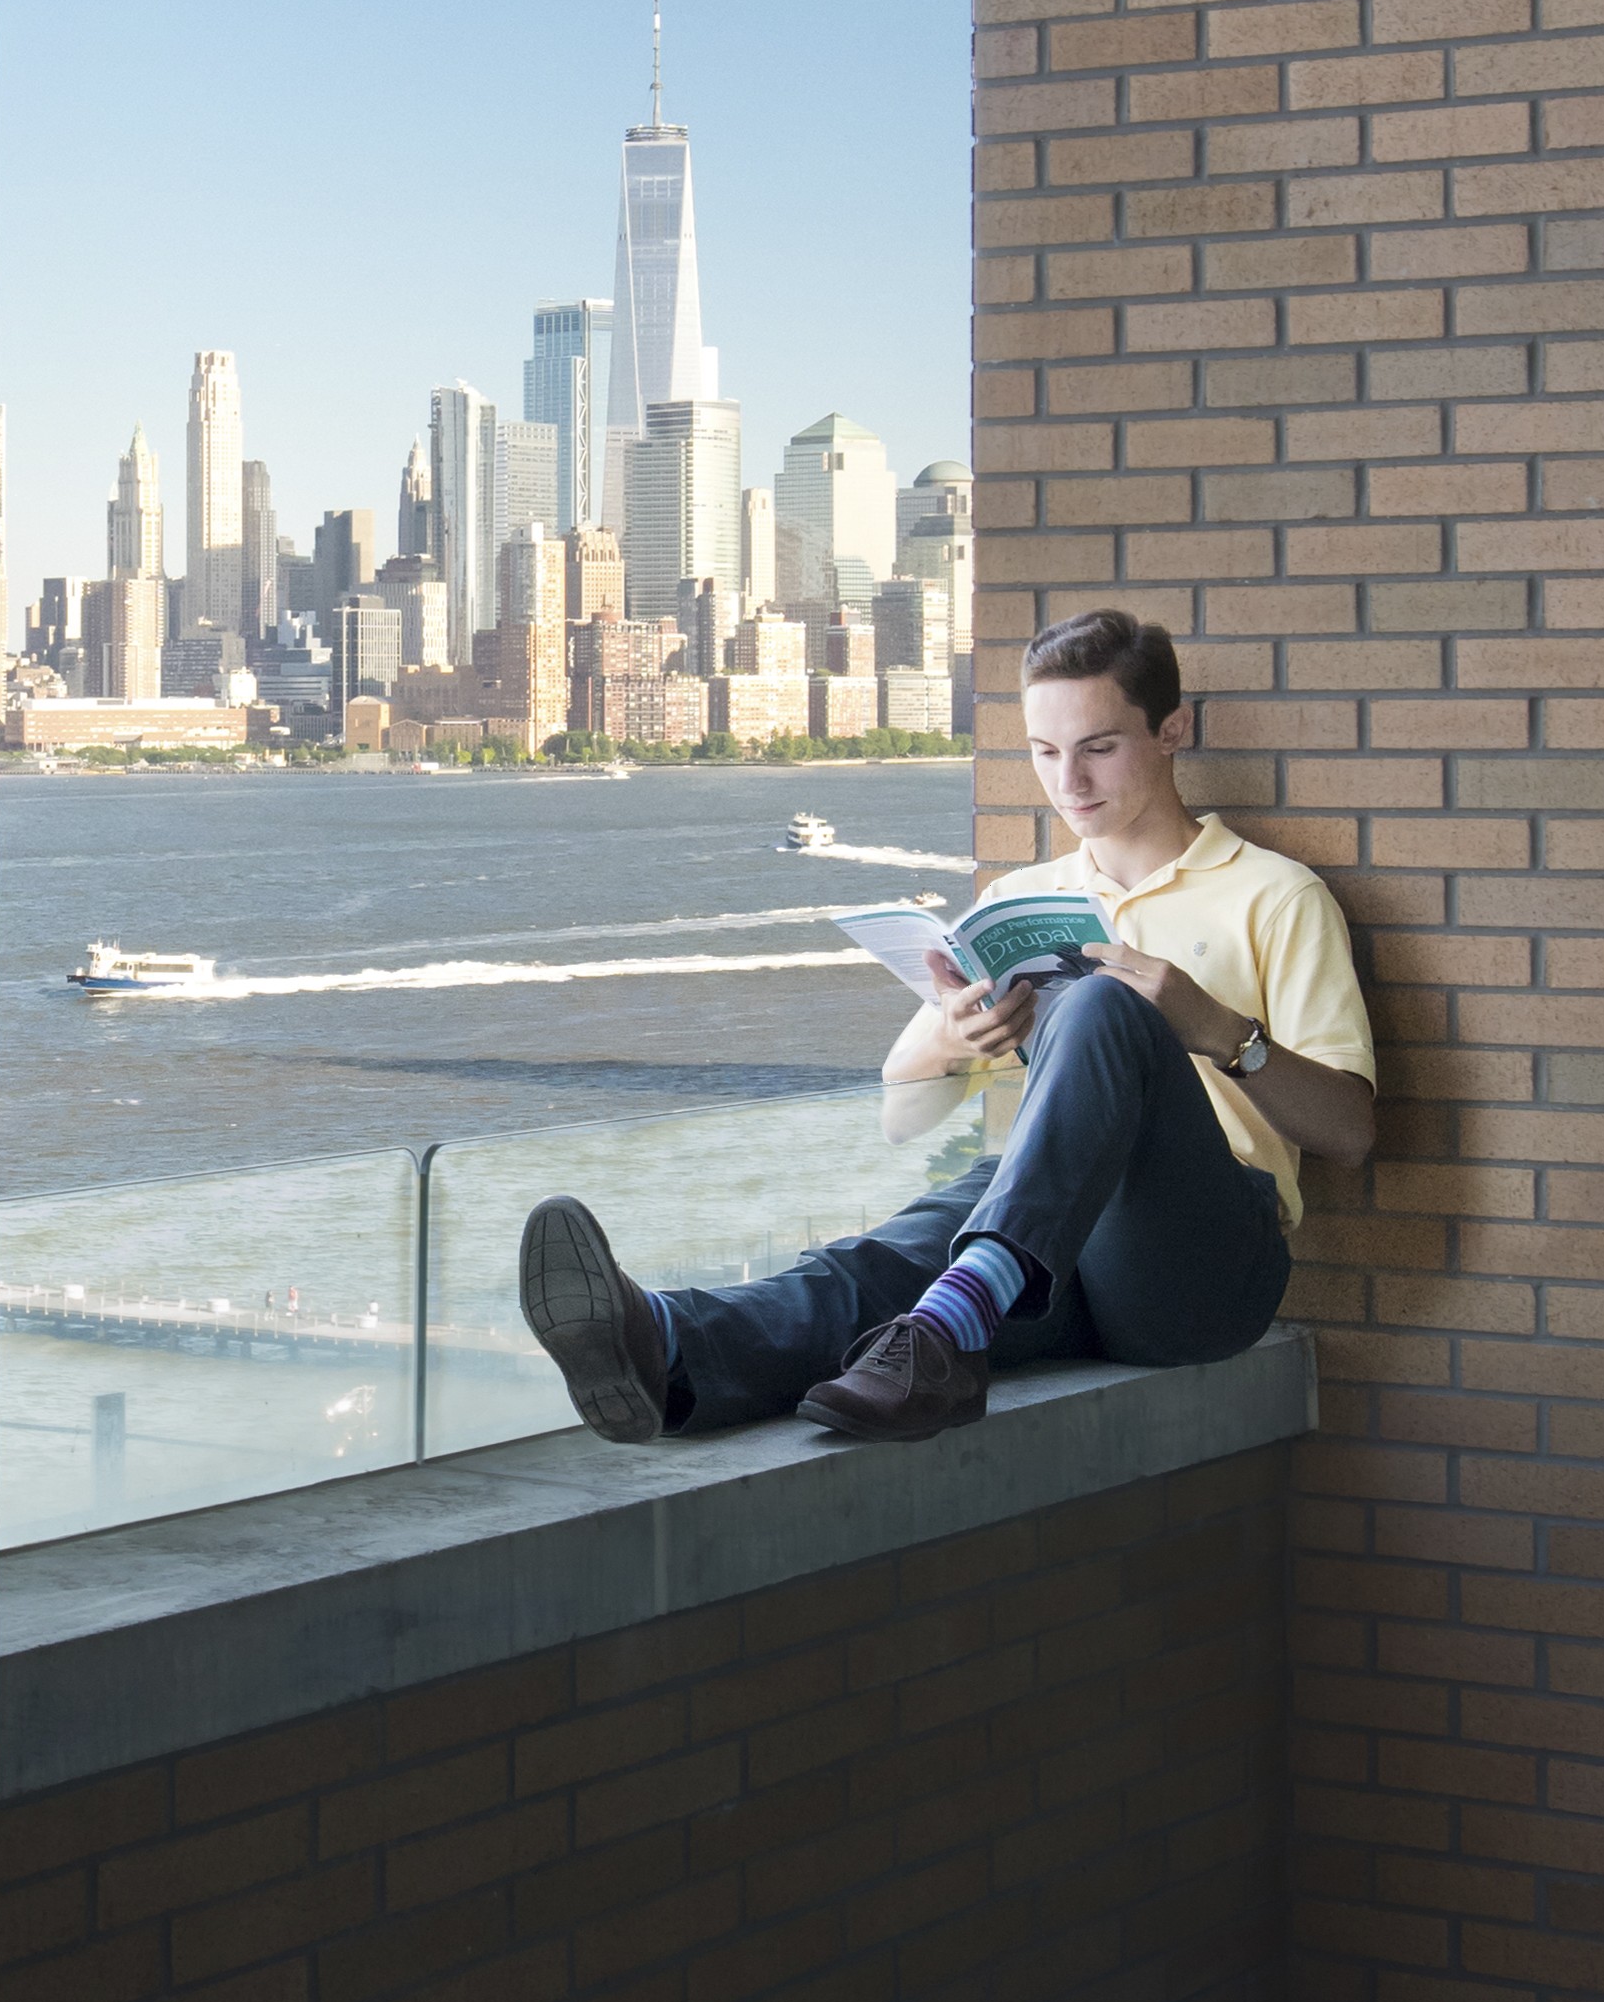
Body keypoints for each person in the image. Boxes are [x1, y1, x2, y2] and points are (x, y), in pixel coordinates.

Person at [518, 608, 1376, 1445]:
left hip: (1204, 1270)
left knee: (1100, 1005)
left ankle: (954, 1311)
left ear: (1171, 731)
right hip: (1061, 1255)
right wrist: (951, 1034)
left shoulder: (1271, 894)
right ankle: (662, 1344)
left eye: (1098, 749)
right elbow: (903, 1118)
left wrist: (1212, 1026)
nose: (1068, 783)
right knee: (888, 1258)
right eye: (1044, 753)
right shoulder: (1017, 904)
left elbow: (1347, 1132)